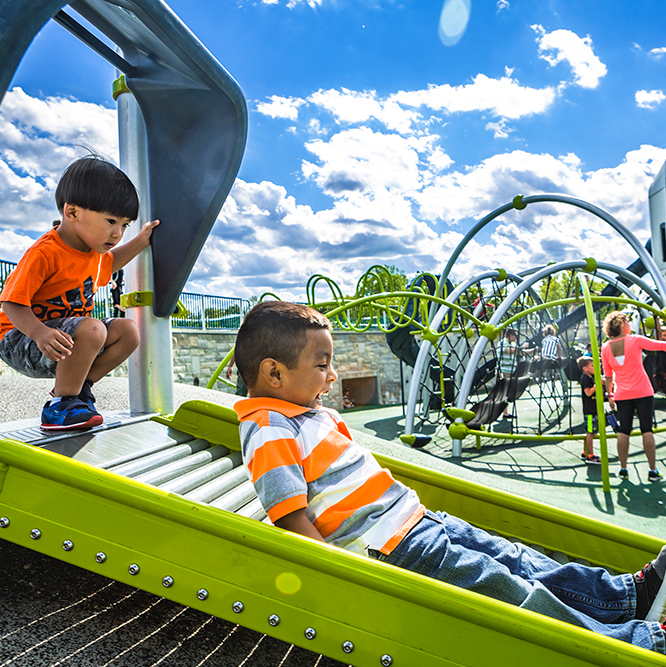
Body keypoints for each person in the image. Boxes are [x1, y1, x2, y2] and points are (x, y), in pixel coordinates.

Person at [233, 301, 666, 653]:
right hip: (393, 548)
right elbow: (289, 517)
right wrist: (347, 580)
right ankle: (635, 643)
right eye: (322, 364)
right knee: (511, 592)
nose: (331, 375)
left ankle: (625, 594)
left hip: (419, 523)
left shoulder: (307, 413)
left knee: (517, 559)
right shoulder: (269, 427)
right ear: (274, 373)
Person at [0, 156, 159, 431]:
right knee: (93, 329)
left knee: (128, 331)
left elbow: (113, 261)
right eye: (111, 221)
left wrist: (142, 241)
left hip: (67, 342)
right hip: (20, 339)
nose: (117, 233)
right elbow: (11, 302)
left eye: (124, 225)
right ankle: (59, 406)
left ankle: (79, 388)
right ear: (72, 213)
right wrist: (39, 333)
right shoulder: (45, 252)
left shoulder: (94, 253)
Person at [601, 311, 666, 482]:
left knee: (624, 430)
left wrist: (610, 395)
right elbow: (661, 345)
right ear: (622, 325)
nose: (630, 324)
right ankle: (652, 471)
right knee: (647, 429)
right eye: (628, 322)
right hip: (643, 392)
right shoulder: (634, 340)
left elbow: (608, 375)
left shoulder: (606, 347)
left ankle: (623, 468)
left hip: (622, 394)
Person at [577, 356, 601, 464]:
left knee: (590, 433)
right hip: (589, 411)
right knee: (590, 433)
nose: (595, 367)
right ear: (585, 368)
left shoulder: (591, 376)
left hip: (593, 409)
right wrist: (596, 386)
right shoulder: (585, 378)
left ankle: (585, 451)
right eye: (592, 365)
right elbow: (588, 392)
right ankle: (590, 455)